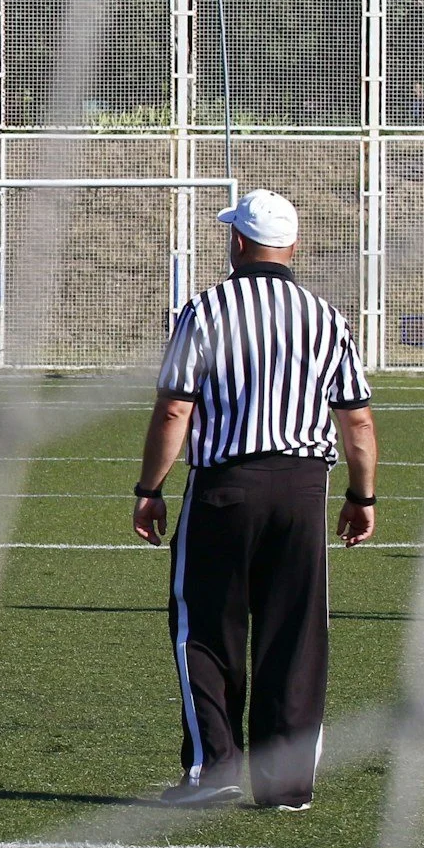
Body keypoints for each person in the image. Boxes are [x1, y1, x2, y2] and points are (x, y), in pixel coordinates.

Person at [133, 188, 376, 811]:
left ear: (238, 242)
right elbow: (357, 421)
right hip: (303, 489)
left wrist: (150, 489)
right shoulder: (326, 315)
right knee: (294, 634)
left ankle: (213, 771)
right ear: (292, 245)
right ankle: (287, 783)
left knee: (207, 629)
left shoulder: (206, 310)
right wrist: (361, 495)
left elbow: (174, 408)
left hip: (226, 488)